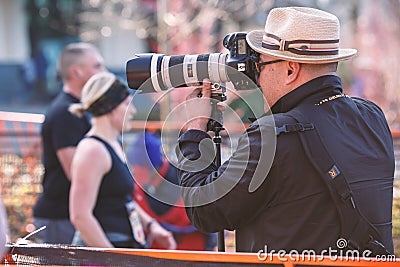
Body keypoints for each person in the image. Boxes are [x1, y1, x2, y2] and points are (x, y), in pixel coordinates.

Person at [177, 7, 394, 254]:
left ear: (291, 69)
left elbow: (204, 209)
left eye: (261, 65)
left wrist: (194, 132)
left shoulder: (272, 136)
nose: (257, 77)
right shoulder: (372, 117)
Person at [68, 72, 176, 249]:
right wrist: (112, 258)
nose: (132, 111)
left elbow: (122, 200)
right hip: (101, 255)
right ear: (111, 109)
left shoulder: (114, 144)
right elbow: (80, 216)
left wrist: (151, 225)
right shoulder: (92, 150)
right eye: (126, 104)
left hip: (123, 245)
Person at [33, 43, 106, 244]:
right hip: (60, 217)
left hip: (71, 215)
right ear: (76, 72)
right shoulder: (64, 113)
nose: (104, 72)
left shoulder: (81, 110)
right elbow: (76, 173)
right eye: (97, 66)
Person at [129, 130, 216, 250]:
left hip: (193, 255)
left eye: (142, 168)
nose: (136, 172)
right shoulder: (136, 186)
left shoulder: (186, 179)